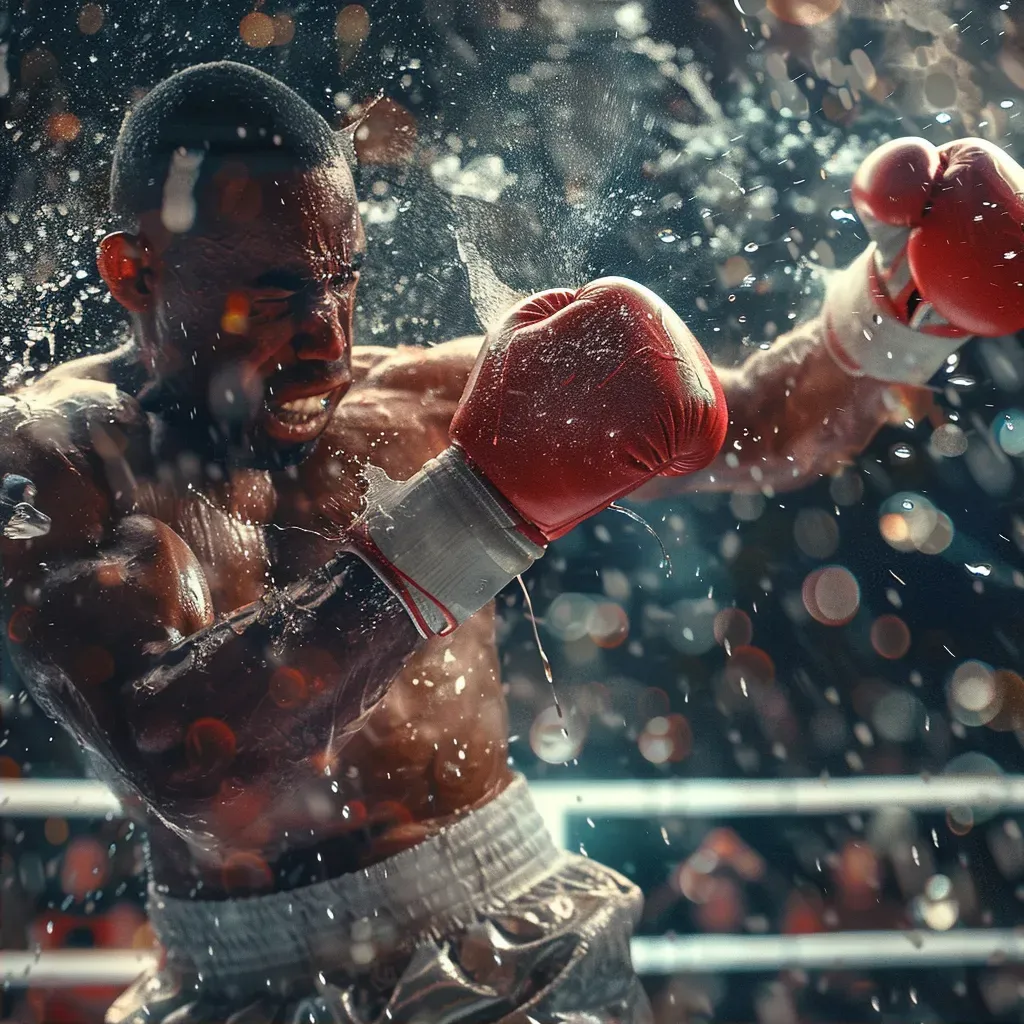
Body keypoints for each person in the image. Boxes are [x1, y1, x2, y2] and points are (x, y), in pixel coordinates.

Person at [0, 61, 1021, 1024]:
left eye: (342, 278)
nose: (329, 336)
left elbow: (749, 419)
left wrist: (899, 303)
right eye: (275, 296)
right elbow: (184, 767)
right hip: (230, 971)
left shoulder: (419, 397)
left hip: (500, 920)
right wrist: (477, 509)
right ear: (132, 271)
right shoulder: (56, 456)